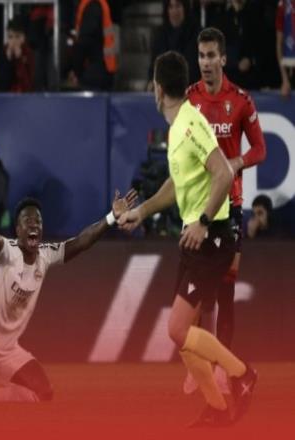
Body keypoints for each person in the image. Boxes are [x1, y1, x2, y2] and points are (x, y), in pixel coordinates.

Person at [117, 51, 257, 426]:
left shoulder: (190, 123)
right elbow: (177, 185)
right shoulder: (179, 125)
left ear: (157, 89)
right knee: (183, 335)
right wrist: (142, 211)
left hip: (212, 236)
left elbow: (224, 173)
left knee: (177, 328)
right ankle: (217, 407)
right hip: (195, 238)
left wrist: (203, 222)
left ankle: (242, 374)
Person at [0, 185, 136, 403]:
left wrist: (111, 218)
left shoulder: (46, 255)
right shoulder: (7, 252)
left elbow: (81, 242)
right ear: (18, 230)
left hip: (7, 348)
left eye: (38, 221)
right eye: (27, 221)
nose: (34, 225)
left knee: (44, 393)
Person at [185, 27, 266, 393]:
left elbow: (260, 149)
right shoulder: (191, 99)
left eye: (211, 56)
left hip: (230, 208)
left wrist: (236, 163)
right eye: (201, 56)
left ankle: (223, 368)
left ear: (223, 58)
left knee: (225, 292)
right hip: (198, 209)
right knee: (196, 293)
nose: (205, 63)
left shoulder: (241, 101)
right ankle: (198, 364)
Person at [147, 0, 201, 91]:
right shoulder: (160, 34)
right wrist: (151, 81)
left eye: (178, 6)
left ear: (185, 8)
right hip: (164, 90)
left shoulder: (196, 33)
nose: (174, 11)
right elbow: (154, 65)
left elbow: (192, 67)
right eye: (171, 7)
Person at [67, 0, 117, 91]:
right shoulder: (97, 4)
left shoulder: (92, 5)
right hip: (102, 69)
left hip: (94, 73)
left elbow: (84, 42)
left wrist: (76, 71)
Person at [0, 17, 35, 93]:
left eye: (17, 36)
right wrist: (8, 61)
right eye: (10, 37)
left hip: (25, 97)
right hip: (7, 97)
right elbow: (2, 86)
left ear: (24, 37)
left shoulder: (29, 53)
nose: (13, 41)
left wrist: (19, 60)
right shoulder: (4, 51)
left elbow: (28, 86)